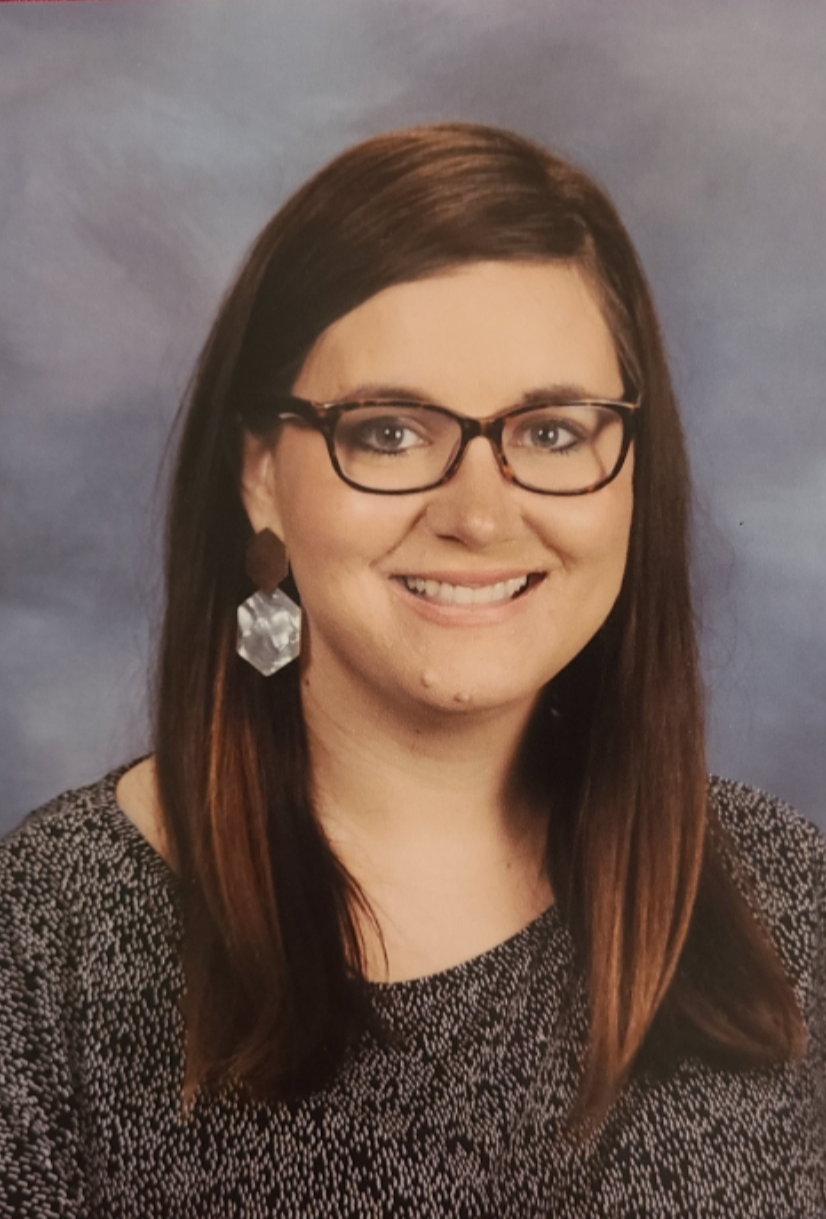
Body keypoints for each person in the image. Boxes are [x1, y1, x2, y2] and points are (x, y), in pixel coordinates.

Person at [1, 122, 823, 1217]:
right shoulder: (41, 945)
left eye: (553, 430)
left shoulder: (793, 904)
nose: (480, 514)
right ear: (259, 478)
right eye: (388, 432)